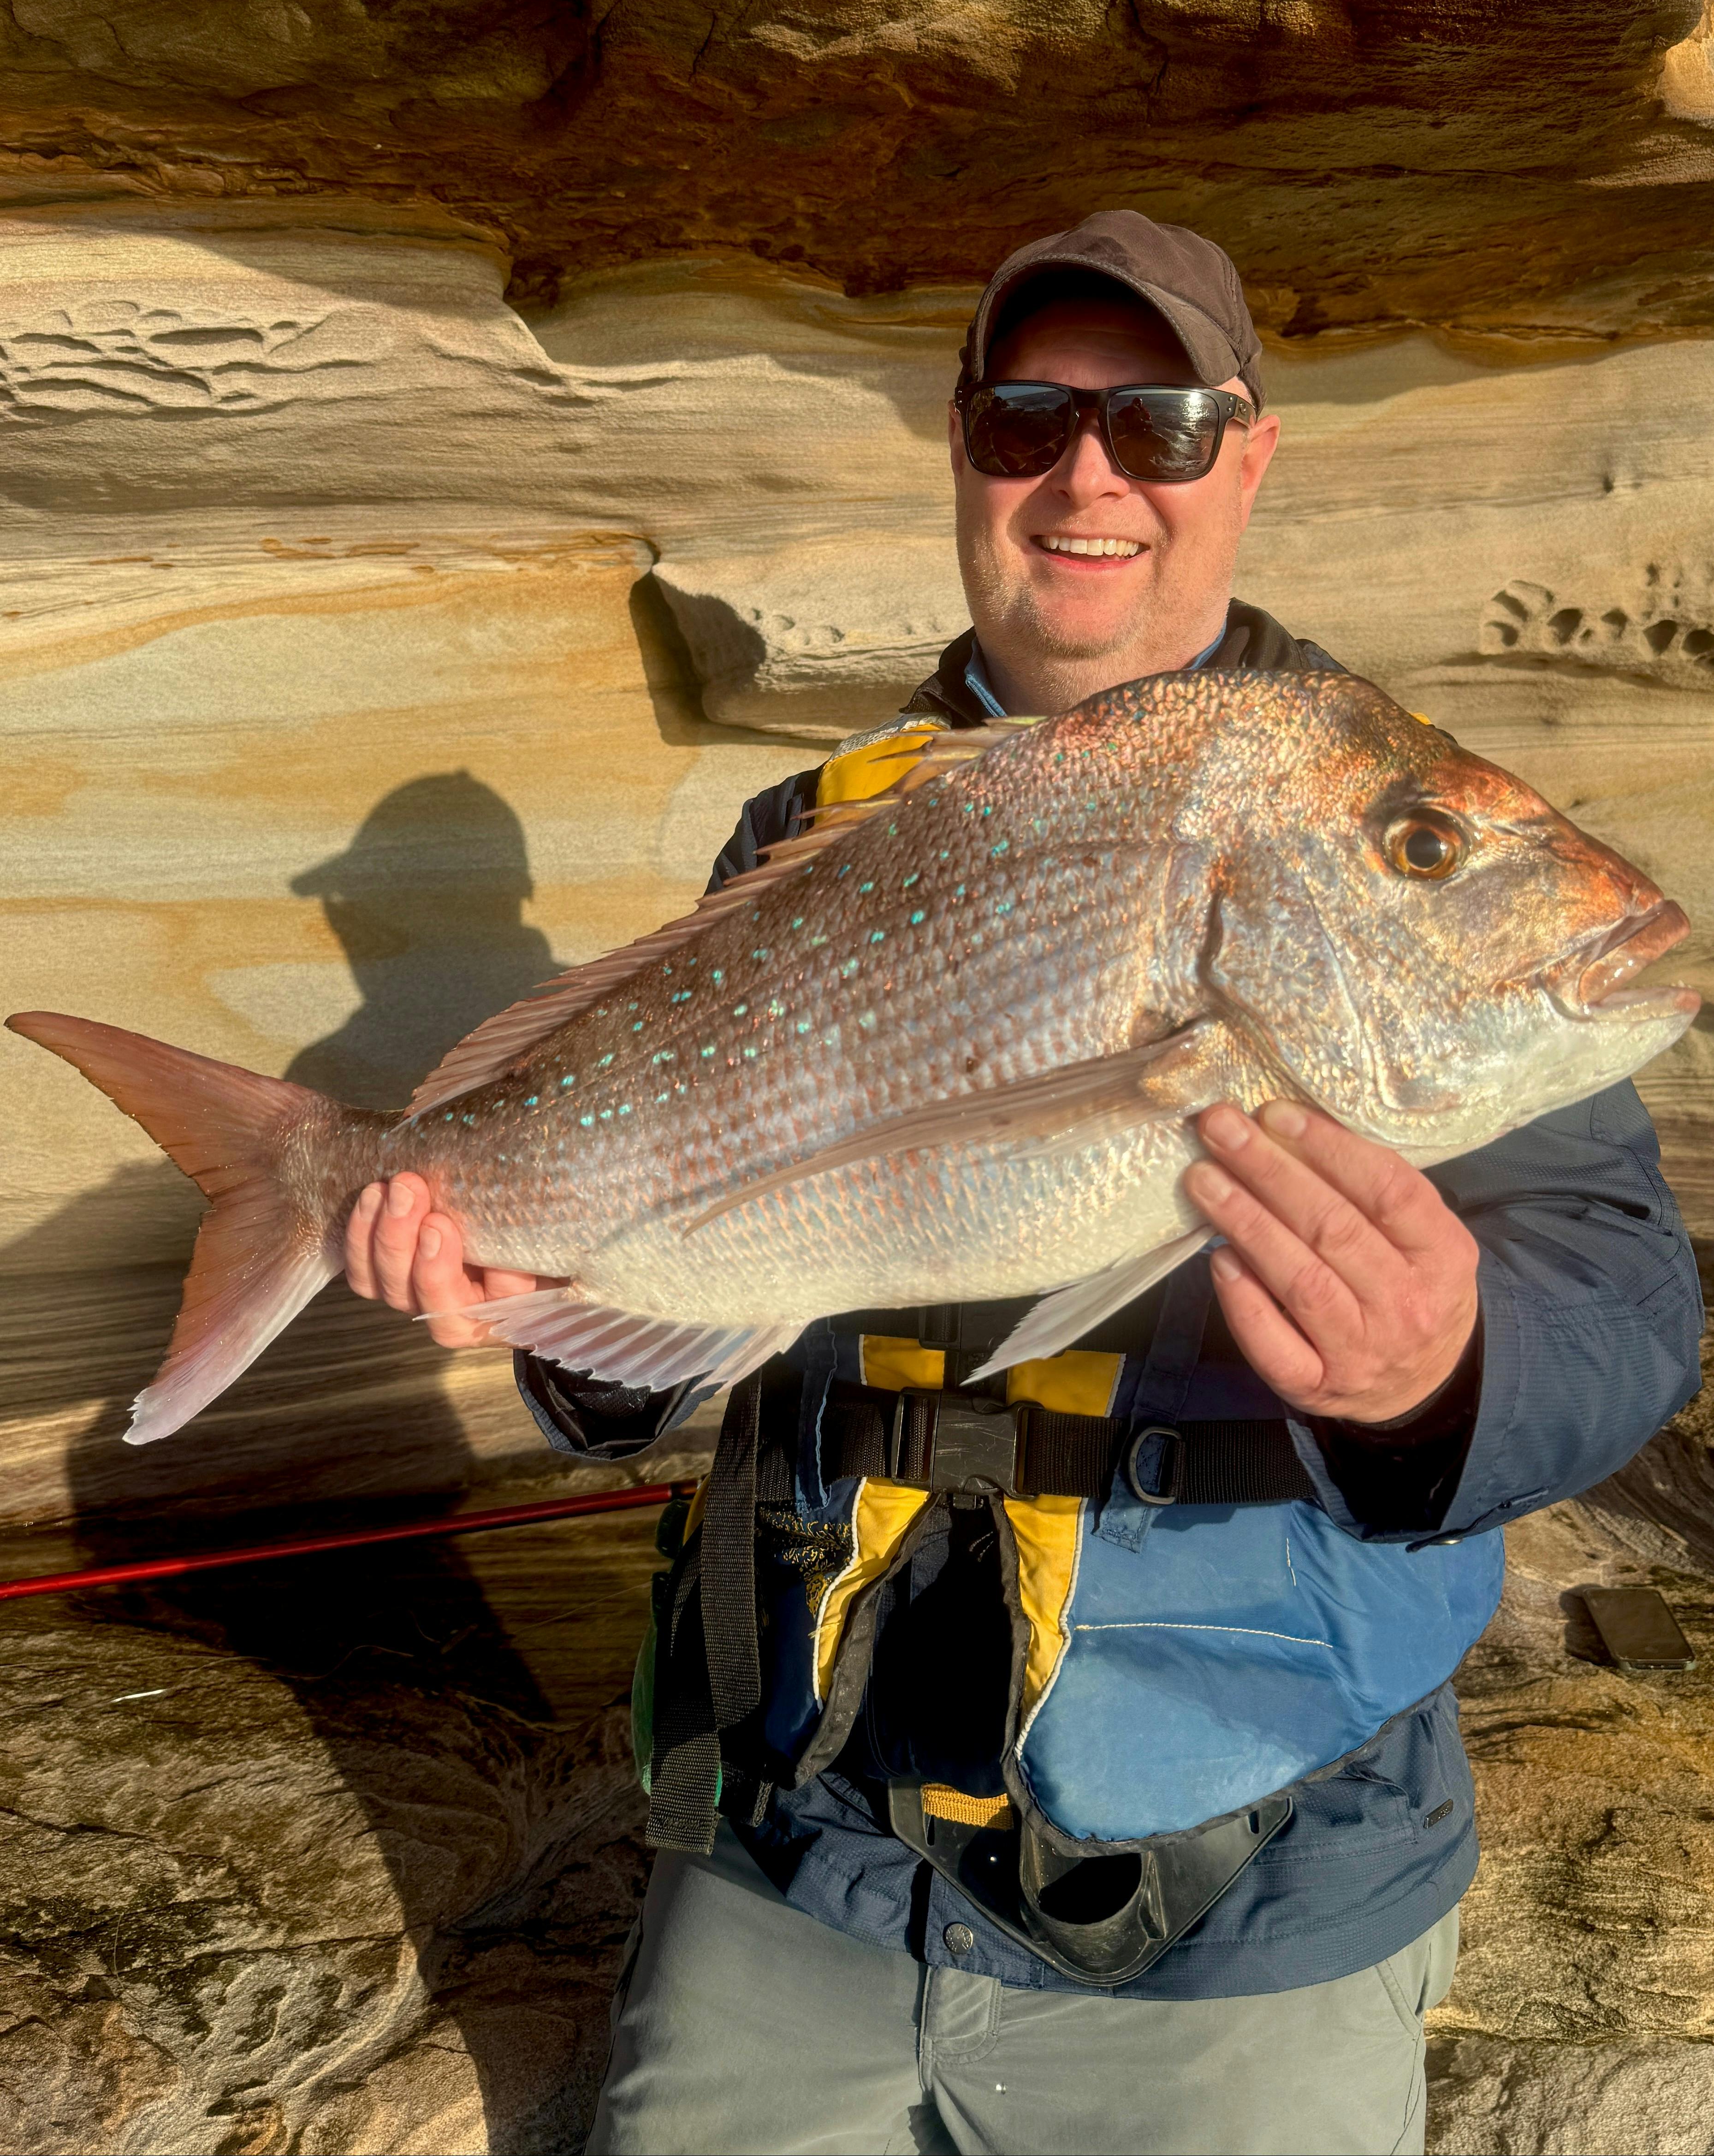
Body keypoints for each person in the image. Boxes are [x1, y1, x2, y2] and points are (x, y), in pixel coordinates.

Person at [343, 213, 1703, 2156]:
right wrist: (528, 1305)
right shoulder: (807, 829)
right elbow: (687, 1296)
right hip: (791, 1855)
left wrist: (1446, 1376)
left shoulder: (1335, 792)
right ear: (965, 453)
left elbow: (1623, 1294)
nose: (1088, 478)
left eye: (1156, 425)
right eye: (1024, 419)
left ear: (1248, 456)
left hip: (1251, 1909)